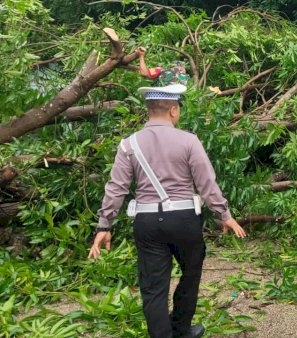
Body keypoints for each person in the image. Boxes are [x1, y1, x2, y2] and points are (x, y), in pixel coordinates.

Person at [88, 83, 247, 338]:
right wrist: (224, 215)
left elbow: (116, 188)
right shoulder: (188, 140)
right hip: (184, 220)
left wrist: (104, 225)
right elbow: (206, 183)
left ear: (149, 110)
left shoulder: (129, 144)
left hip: (147, 222)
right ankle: (181, 329)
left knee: (153, 288)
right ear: (173, 110)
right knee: (191, 272)